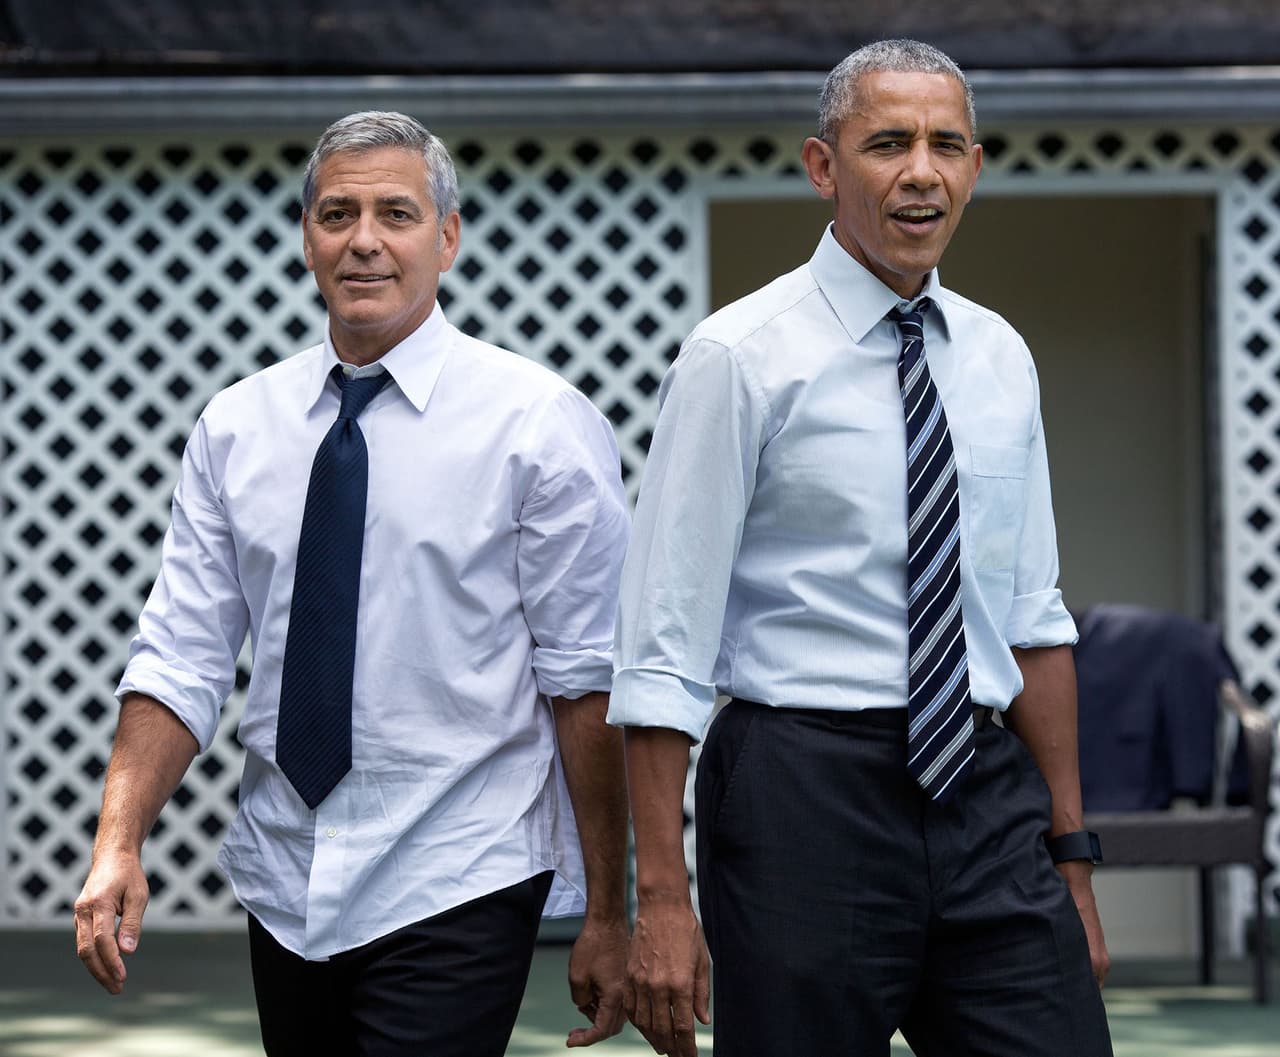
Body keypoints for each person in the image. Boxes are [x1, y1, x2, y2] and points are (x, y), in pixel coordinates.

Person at [74, 110, 632, 1057]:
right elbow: (181, 655)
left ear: (446, 237)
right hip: (284, 878)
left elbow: (588, 681)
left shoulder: (536, 424)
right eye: (337, 214)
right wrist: (117, 839)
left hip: (459, 868)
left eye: (396, 214)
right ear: (306, 238)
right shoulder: (237, 426)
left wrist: (616, 908)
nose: (363, 240)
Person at [610, 39, 1113, 1057]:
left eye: (944, 144)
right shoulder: (738, 357)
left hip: (981, 784)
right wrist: (661, 897)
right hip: (801, 792)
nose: (918, 170)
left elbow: (1028, 618)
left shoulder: (997, 357)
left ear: (973, 166)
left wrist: (1069, 858)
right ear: (821, 166)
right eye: (886, 143)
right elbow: (660, 643)